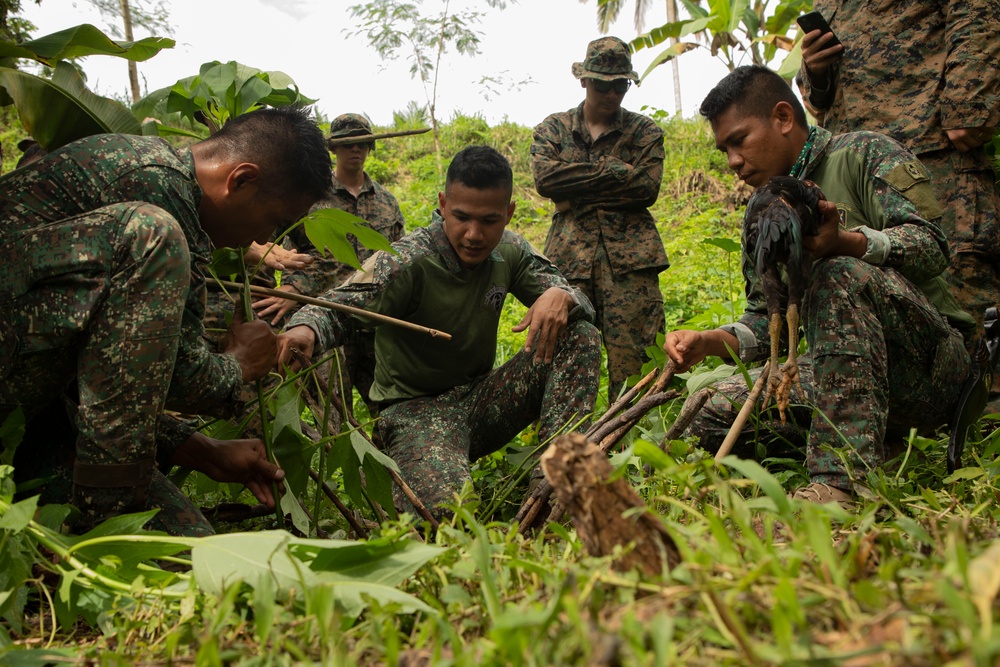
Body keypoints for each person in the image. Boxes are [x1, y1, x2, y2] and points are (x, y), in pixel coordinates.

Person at [0, 106, 333, 534]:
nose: (266, 241)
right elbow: (182, 377)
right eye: (274, 221)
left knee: (191, 549)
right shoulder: (158, 196)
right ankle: (105, 520)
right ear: (242, 179)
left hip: (33, 410)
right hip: (17, 395)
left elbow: (112, 375)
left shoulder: (176, 193)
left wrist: (201, 451)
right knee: (151, 233)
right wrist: (239, 364)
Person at [667, 65, 975, 505]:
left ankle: (841, 483)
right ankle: (870, 437)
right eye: (724, 149)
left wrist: (847, 243)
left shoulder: (864, 153)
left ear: (783, 117)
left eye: (739, 140)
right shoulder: (765, 207)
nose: (732, 161)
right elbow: (762, 315)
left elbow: (933, 246)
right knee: (710, 407)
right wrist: (707, 342)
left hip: (931, 367)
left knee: (835, 273)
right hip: (844, 373)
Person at [277, 145, 601, 520]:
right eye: (461, 217)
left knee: (580, 335)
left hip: (481, 401)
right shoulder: (407, 260)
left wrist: (561, 294)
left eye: (490, 221)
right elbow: (339, 307)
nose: (474, 234)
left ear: (509, 213)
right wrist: (305, 329)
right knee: (444, 518)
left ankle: (557, 491)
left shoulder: (511, 250)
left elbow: (577, 300)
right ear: (443, 204)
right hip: (415, 413)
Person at [799, 1, 1000, 342]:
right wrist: (814, 72)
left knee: (970, 327)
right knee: (881, 328)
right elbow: (817, 102)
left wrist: (968, 109)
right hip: (858, 183)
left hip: (933, 166)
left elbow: (977, 16)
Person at [531, 36, 667, 400]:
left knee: (638, 370)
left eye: (620, 85)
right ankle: (566, 451)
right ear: (584, 81)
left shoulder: (646, 132)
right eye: (603, 85)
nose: (612, 94)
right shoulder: (553, 130)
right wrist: (613, 170)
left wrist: (573, 191)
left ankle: (635, 451)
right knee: (564, 365)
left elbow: (646, 188)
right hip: (569, 264)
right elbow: (546, 180)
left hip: (632, 265)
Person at [255, 113, 406, 413]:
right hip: (322, 319)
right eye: (347, 144)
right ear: (333, 149)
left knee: (391, 408)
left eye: (363, 143)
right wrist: (289, 291)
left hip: (374, 322)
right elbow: (273, 249)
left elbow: (399, 256)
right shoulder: (310, 198)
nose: (356, 150)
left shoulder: (387, 202)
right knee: (333, 411)